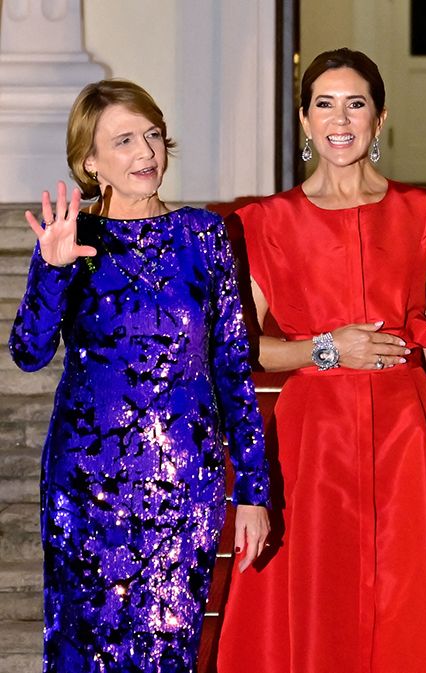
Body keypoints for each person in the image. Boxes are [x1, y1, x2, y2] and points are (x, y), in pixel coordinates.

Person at [215, 48, 426, 673]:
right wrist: (327, 348)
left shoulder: (422, 214)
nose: (340, 120)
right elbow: (240, 348)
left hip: (405, 435)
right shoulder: (266, 222)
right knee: (320, 596)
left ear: (379, 118)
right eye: (325, 104)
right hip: (312, 440)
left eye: (355, 104)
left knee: (403, 602)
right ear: (305, 120)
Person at [8, 79, 271, 672]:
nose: (146, 153)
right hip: (87, 483)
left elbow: (232, 367)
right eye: (124, 141)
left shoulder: (203, 234)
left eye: (152, 135)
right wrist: (50, 271)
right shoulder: (72, 239)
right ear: (90, 162)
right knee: (85, 651)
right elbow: (28, 353)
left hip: (185, 481)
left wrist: (254, 491)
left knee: (166, 651)